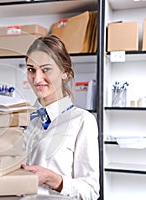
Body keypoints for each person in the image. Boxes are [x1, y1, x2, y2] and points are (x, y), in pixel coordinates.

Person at [22, 34, 99, 200]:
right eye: (31, 69)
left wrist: (53, 179)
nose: (37, 78)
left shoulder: (82, 121)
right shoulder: (25, 119)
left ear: (65, 72)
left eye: (46, 69)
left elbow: (91, 191)